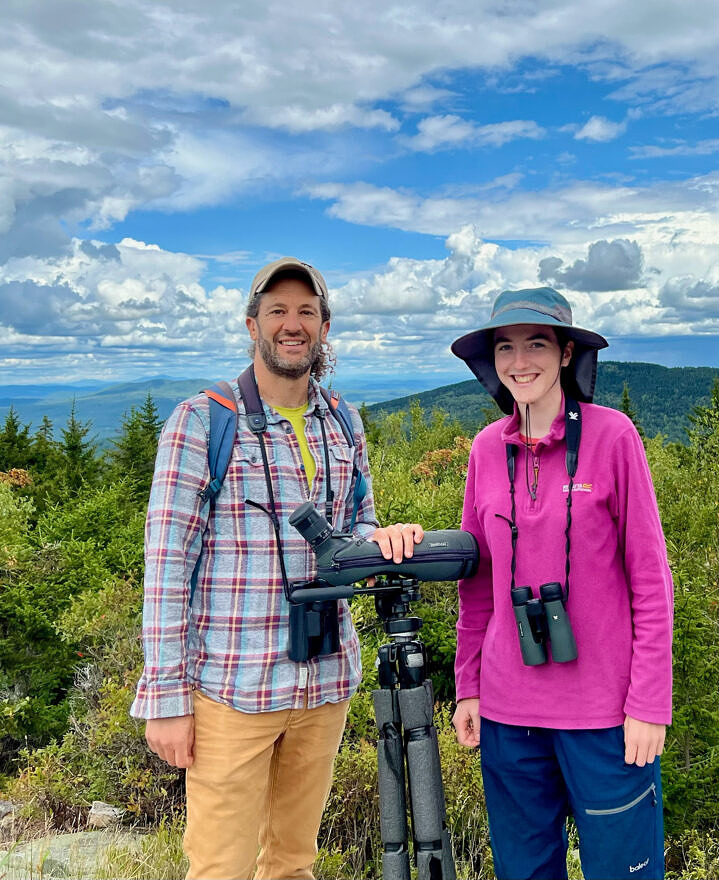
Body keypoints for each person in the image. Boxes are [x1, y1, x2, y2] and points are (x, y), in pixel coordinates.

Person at [130, 257, 423, 880]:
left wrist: (382, 539)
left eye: (307, 312)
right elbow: (166, 564)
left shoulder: (343, 420)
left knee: (293, 863)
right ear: (252, 324)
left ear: (324, 327)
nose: (293, 325)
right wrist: (164, 698)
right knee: (220, 867)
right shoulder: (202, 422)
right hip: (233, 688)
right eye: (279, 311)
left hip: (324, 683)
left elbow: (359, 524)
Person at [450, 287, 673, 880]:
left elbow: (650, 577)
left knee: (624, 869)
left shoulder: (613, 436)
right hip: (507, 712)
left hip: (605, 715)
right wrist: (467, 685)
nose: (519, 361)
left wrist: (650, 702)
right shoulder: (484, 451)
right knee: (523, 870)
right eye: (505, 348)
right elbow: (477, 586)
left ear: (568, 353)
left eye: (536, 344)